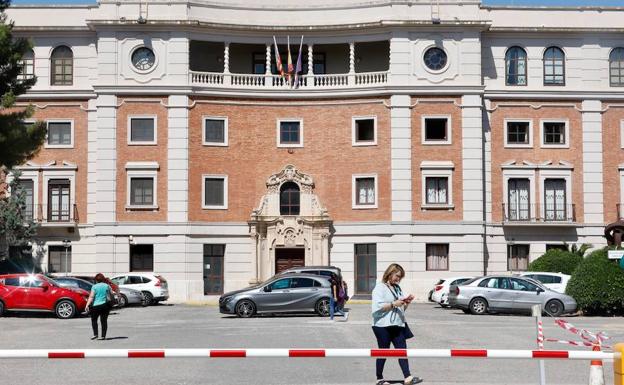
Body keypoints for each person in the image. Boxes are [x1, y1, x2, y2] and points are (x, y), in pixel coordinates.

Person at [371, 263, 422, 385]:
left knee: (402, 350)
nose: (398, 279)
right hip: (382, 325)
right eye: (397, 276)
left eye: (400, 277)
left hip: (397, 324)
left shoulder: (397, 288)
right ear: (390, 273)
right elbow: (377, 308)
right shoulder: (379, 288)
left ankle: (408, 377)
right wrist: (393, 304)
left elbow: (401, 309)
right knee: (383, 351)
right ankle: (379, 378)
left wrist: (406, 303)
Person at [85, 273, 112, 340]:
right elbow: (111, 294)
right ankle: (103, 336)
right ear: (103, 279)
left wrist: (87, 305)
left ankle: (95, 334)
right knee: (104, 321)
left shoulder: (94, 287)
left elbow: (91, 297)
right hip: (105, 305)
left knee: (94, 320)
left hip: (95, 306)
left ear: (96, 280)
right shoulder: (107, 286)